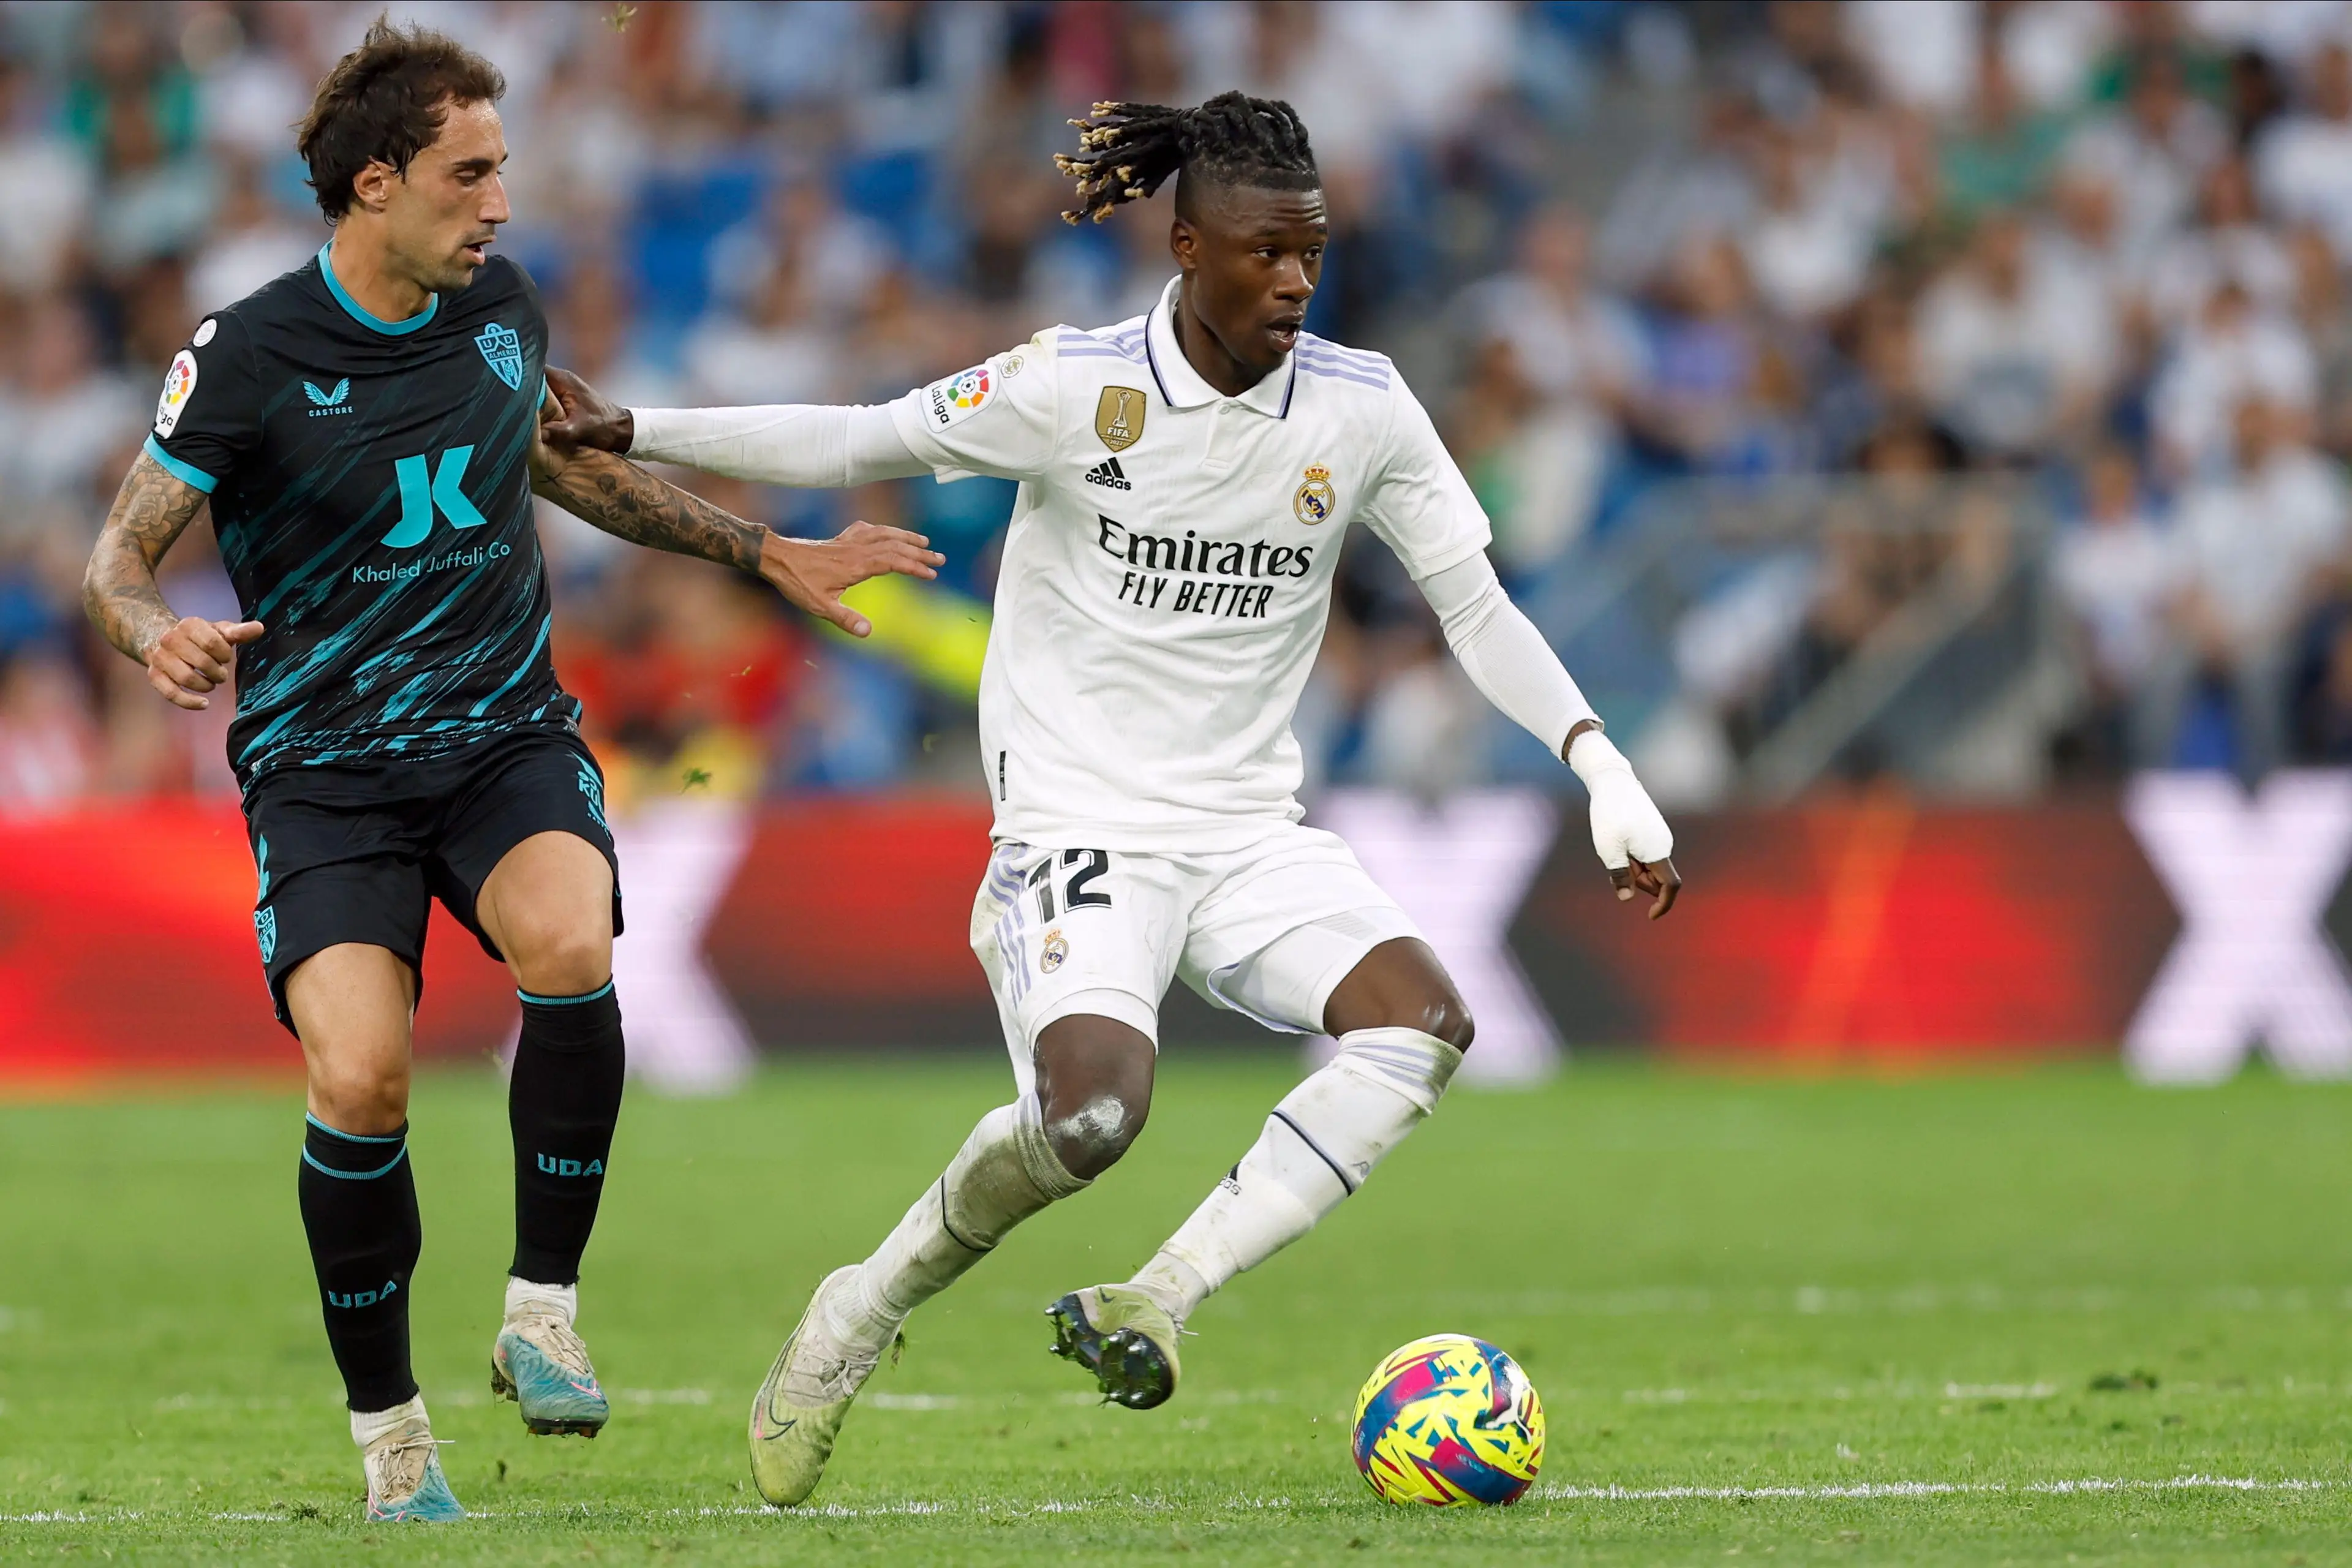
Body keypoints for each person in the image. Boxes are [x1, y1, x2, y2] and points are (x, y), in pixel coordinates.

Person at [543, 91, 1681, 1509]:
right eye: (1264, 254)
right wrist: (641, 423)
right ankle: (856, 1311)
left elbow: (1475, 603)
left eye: (1311, 255)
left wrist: (1599, 759)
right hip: (1077, 830)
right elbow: (857, 433)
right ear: (1187, 245)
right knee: (1091, 1119)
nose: (1292, 282)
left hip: (1251, 831)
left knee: (1426, 1020)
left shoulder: (1362, 405)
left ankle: (1159, 1293)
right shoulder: (1074, 385)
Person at [79, 20, 938, 1523]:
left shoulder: (502, 309)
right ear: (374, 182)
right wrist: (154, 631)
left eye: (504, 172)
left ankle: (542, 1308)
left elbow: (577, 464)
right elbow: (115, 556)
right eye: (469, 175)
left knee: (572, 934)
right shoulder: (249, 351)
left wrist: (760, 549)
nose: (499, 203)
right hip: (322, 769)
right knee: (360, 1075)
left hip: (499, 735)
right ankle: (393, 1437)